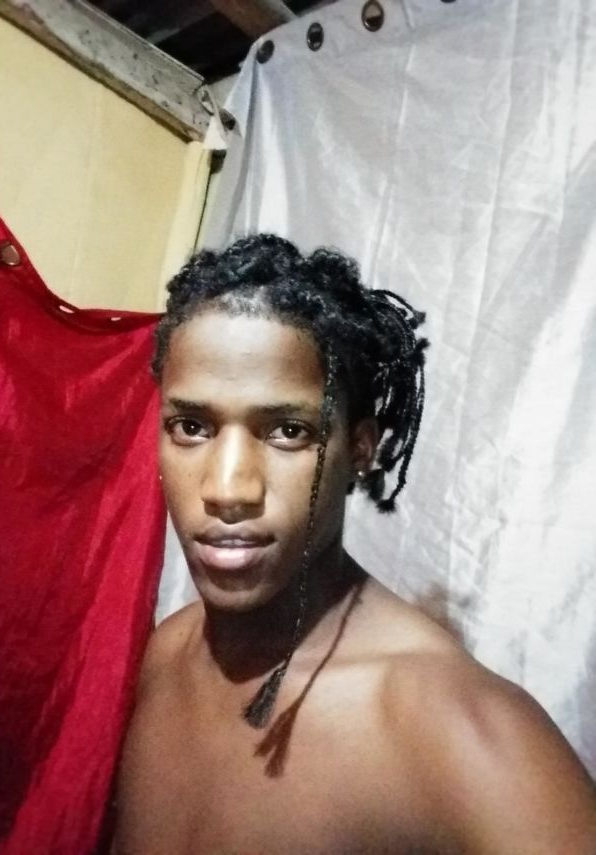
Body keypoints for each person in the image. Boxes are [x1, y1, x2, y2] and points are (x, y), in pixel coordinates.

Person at [113, 234, 596, 854]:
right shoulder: (162, 654)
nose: (227, 488)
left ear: (360, 449)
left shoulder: (459, 730)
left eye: (288, 431)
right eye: (191, 426)